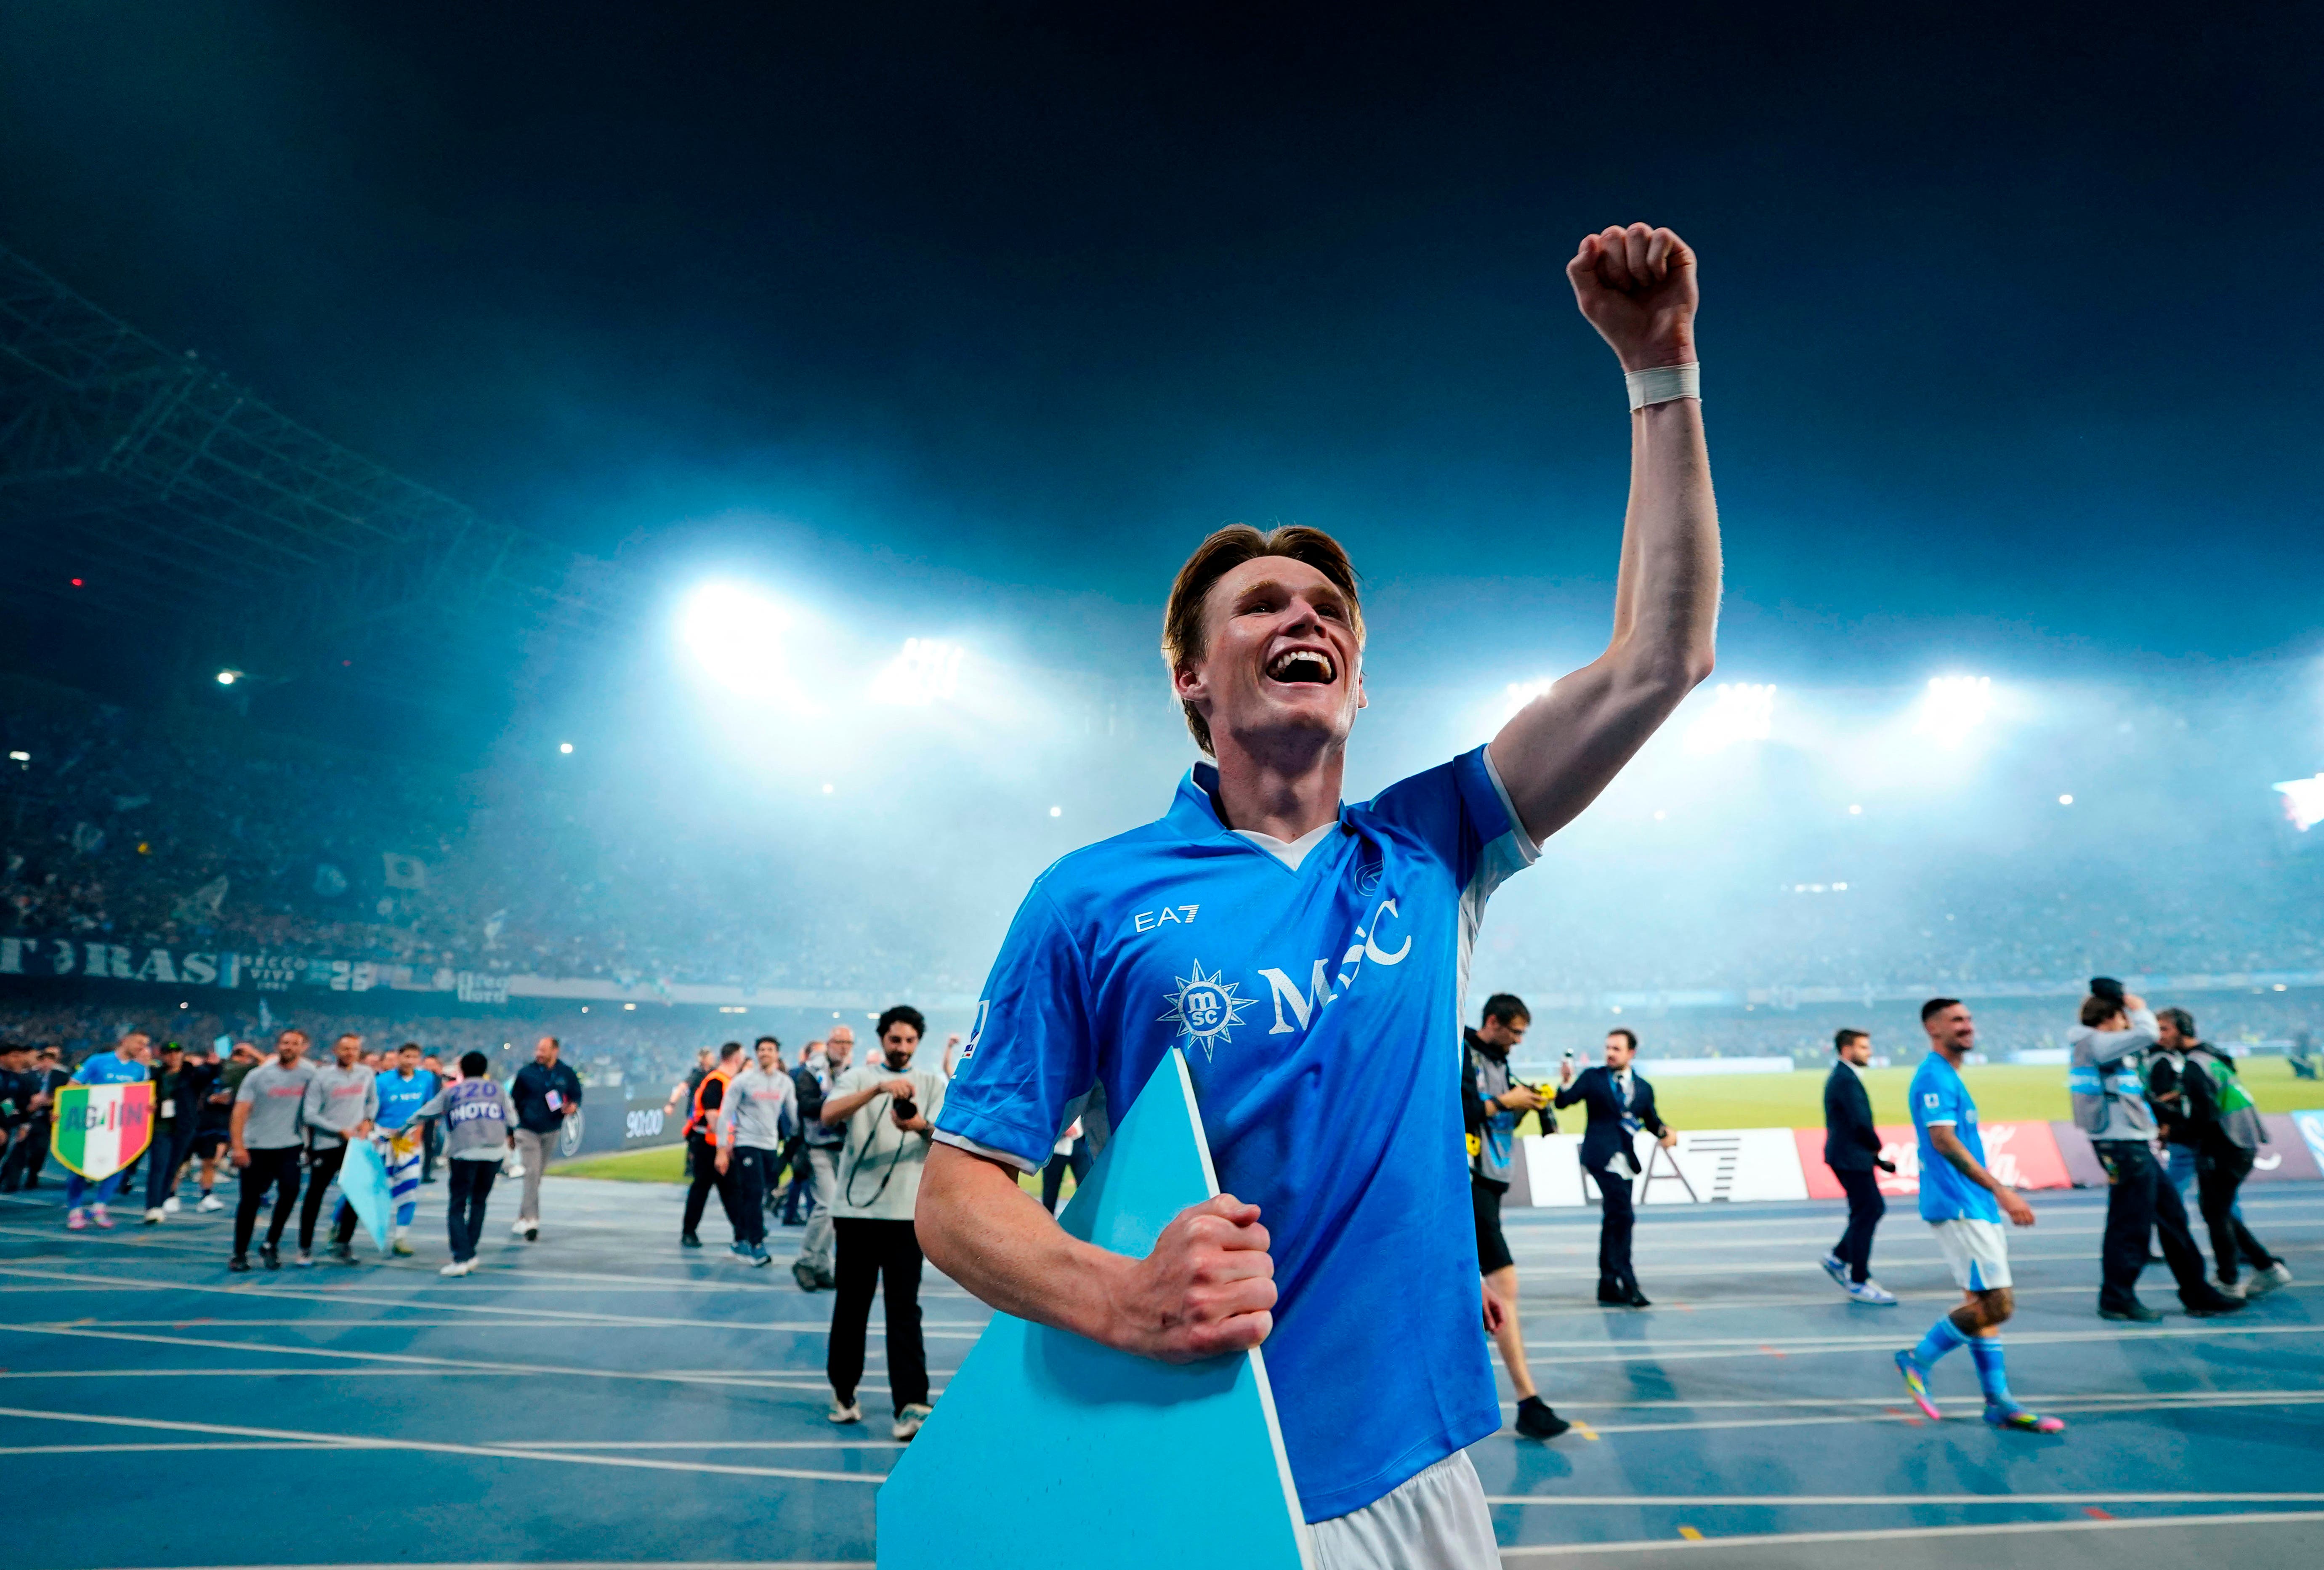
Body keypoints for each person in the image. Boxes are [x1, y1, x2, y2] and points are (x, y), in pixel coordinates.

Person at [918, 220, 1718, 1562]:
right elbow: (958, 1190)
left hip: (1416, 1474)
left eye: (1329, 610)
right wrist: (1119, 1295)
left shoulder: (1432, 839)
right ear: (1189, 677)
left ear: (1356, 679)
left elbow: (1660, 657)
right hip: (1193, 1462)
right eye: (1261, 604)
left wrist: (1660, 370)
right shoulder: (1090, 896)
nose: (1306, 618)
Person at [1892, 999, 2063, 1433]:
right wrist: (2001, 1190)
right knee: (1998, 1304)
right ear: (1933, 1029)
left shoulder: (1948, 1075)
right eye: (1956, 1021)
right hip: (1959, 1203)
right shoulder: (1933, 1075)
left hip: (1972, 1202)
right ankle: (1917, 1359)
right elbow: (1943, 1140)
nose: (1966, 1027)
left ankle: (1999, 1402)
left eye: (1968, 1019)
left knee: (1981, 1306)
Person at [2068, 980, 2240, 1321]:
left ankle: (2196, 1291)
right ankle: (2117, 1298)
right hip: (2122, 1146)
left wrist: (2162, 1123)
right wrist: (2138, 1004)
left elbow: (2134, 1096)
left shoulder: (2097, 1046)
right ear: (2112, 1017)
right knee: (2130, 1222)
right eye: (2123, 1018)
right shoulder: (2097, 1042)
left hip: (2131, 1143)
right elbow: (2148, 1034)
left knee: (2172, 1216)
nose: (2128, 1025)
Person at [823, 1004, 945, 1442]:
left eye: (910, 1040)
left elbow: (949, 1140)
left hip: (905, 1218)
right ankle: (842, 1392)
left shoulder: (934, 1083)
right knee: (851, 1306)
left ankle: (911, 1404)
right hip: (854, 1215)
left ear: (918, 1042)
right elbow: (827, 1115)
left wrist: (919, 1125)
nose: (901, 1047)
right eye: (894, 1039)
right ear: (881, 1039)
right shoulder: (858, 1077)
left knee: (904, 1310)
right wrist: (877, 1088)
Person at [1462, 994, 1568, 1438]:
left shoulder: (1497, 1059)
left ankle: (1519, 1400)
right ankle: (1527, 1399)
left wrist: (1524, 1105)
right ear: (1492, 1022)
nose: (1518, 1041)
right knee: (1503, 1284)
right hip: (1468, 1178)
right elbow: (1459, 1110)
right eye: (1514, 1032)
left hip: (1490, 1178)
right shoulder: (1460, 1051)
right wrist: (1504, 1101)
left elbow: (1495, 1118)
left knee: (1474, 1288)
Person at [2167, 1016, 2292, 1299]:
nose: (2158, 1035)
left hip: (2224, 1144)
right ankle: (2265, 1267)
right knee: (2217, 1210)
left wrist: (2172, 1127)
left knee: (2215, 1213)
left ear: (2182, 1031)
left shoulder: (2194, 1066)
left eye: (2164, 1029)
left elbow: (2205, 1116)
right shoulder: (2210, 1057)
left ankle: (2229, 1280)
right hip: (2240, 1142)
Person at [1555, 1029, 1675, 1307]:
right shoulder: (1592, 1078)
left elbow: (1652, 1120)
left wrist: (1666, 1132)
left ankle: (1607, 1284)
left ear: (1631, 1053)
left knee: (1614, 1219)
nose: (1610, 1053)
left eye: (1616, 1049)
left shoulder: (1644, 1088)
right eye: (1608, 1048)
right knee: (1624, 1214)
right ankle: (1628, 1281)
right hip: (1599, 1157)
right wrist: (1565, 1081)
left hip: (1626, 1162)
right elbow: (1564, 1102)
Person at [415, 1051, 518, 1277]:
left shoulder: (452, 1092)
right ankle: (470, 1252)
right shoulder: (499, 1090)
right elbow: (513, 1120)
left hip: (464, 1153)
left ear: (461, 1069)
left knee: (457, 1206)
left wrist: (401, 1128)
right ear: (485, 1069)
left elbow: (426, 1112)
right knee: (479, 1202)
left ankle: (462, 1257)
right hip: (494, 1154)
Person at [1818, 1027, 1898, 1304]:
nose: (1870, 1052)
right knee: (1871, 1209)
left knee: (1865, 1210)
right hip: (1850, 1157)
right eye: (1864, 1048)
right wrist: (1876, 1147)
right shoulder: (1847, 1080)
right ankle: (1858, 1279)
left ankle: (1839, 1258)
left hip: (1849, 1155)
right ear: (1846, 1050)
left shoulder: (1844, 1077)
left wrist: (1875, 1157)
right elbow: (1860, 1122)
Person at [229, 1029, 316, 1272]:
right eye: (285, 1043)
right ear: (279, 1045)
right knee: (250, 1201)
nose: (289, 1047)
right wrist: (238, 1146)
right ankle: (239, 1253)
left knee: (290, 1193)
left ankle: (271, 1243)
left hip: (290, 1146)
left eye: (295, 1044)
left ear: (304, 1047)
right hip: (257, 1146)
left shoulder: (311, 1074)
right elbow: (240, 1111)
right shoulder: (259, 1075)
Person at [340, 1042, 436, 1258]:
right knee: (364, 1186)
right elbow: (371, 1109)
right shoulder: (382, 1081)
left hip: (408, 1143)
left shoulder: (427, 1079)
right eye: (406, 1056)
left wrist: (420, 1131)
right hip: (381, 1139)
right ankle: (337, 1227)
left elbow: (428, 1108)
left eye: (414, 1057)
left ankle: (401, 1237)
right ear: (398, 1057)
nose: (409, 1061)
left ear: (419, 1060)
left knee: (409, 1188)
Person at [298, 1033, 378, 1266]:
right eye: (345, 1049)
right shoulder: (322, 1077)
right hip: (326, 1145)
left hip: (355, 1146)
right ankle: (305, 1247)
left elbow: (373, 1102)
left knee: (356, 1196)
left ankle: (343, 1243)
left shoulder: (366, 1074)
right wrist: (339, 1130)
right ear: (336, 1050)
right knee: (315, 1196)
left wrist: (368, 1122)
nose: (349, 1053)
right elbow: (309, 1114)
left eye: (354, 1049)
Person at [717, 1035, 798, 1266]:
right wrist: (723, 1147)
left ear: (777, 1054)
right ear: (756, 1053)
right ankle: (756, 1244)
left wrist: (795, 1138)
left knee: (761, 1192)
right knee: (753, 1193)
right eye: (761, 1050)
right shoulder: (743, 1081)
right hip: (746, 1142)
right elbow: (725, 1115)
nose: (765, 1053)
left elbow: (792, 1116)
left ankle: (740, 1238)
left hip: (770, 1145)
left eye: (770, 1050)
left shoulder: (785, 1083)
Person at [62, 1031, 153, 1229]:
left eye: (145, 1044)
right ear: (125, 1041)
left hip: (119, 1127)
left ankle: (100, 1207)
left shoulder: (140, 1070)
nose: (142, 1048)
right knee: (79, 1165)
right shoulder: (97, 1061)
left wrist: (149, 1107)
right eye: (139, 1043)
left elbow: (143, 1097)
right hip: (91, 1124)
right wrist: (63, 1110)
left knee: (118, 1164)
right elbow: (73, 1086)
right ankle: (75, 1210)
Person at [793, 1025, 853, 1289]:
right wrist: (837, 1105)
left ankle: (821, 1265)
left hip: (843, 1147)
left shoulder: (849, 1074)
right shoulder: (811, 1073)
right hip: (817, 1146)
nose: (843, 1047)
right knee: (826, 1206)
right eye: (839, 1042)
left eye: (848, 1043)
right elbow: (805, 1105)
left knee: (835, 1210)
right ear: (829, 1043)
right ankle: (806, 1262)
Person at [508, 1035, 583, 1243]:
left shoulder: (566, 1073)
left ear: (555, 1051)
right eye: (538, 1050)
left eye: (544, 1050)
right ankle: (532, 1221)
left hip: (551, 1129)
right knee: (532, 1173)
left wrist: (574, 1105)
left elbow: (576, 1094)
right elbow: (513, 1102)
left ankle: (523, 1216)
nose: (539, 1054)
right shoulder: (526, 1073)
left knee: (537, 1176)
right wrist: (510, 1132)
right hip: (527, 1129)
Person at [681, 1041, 746, 1248]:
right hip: (708, 1144)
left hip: (715, 1143)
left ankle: (742, 1230)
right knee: (704, 1187)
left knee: (730, 1189)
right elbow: (714, 1117)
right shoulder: (717, 1082)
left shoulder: (726, 1081)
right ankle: (689, 1231)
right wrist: (723, 1148)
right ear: (736, 1059)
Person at [141, 1040, 207, 1223]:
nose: (173, 1056)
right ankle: (153, 1206)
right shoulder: (156, 1075)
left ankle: (160, 1205)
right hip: (160, 1127)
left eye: (177, 1052)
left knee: (173, 1168)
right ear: (163, 1056)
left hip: (183, 1127)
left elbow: (209, 1076)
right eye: (169, 1053)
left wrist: (213, 1063)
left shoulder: (192, 1073)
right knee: (159, 1166)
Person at [192, 1041, 260, 1211]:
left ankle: (202, 1193)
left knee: (210, 1157)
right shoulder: (239, 1069)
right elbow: (267, 1063)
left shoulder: (221, 1067)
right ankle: (198, 1192)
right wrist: (253, 1051)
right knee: (207, 1158)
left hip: (209, 1118)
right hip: (217, 1119)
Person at [778, 1038, 824, 1225]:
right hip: (803, 1133)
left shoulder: (798, 1073)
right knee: (805, 1174)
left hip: (799, 1132)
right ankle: (809, 1212)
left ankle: (791, 1211)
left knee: (800, 1174)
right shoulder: (804, 1074)